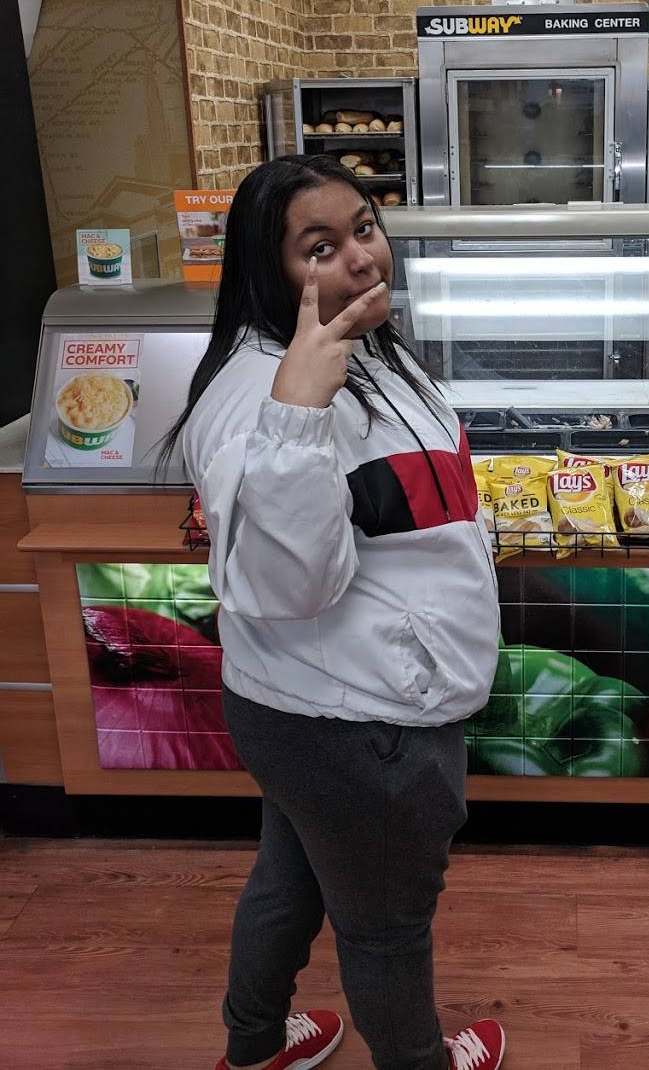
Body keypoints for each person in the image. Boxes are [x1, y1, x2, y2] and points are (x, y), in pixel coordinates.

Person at [163, 155, 506, 1070]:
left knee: (291, 878)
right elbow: (291, 583)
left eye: (363, 226)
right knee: (387, 927)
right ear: (267, 270)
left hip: (309, 705)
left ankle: (253, 1045)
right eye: (320, 247)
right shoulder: (264, 392)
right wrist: (297, 415)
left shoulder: (355, 342)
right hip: (362, 724)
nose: (361, 256)